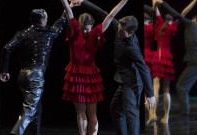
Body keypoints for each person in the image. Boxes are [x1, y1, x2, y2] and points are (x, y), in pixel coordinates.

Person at [69, 0, 156, 134]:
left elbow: (144, 68)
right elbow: (106, 14)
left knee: (130, 112)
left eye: (122, 32)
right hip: (123, 79)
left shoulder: (132, 47)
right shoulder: (119, 27)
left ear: (130, 32)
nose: (118, 32)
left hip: (132, 82)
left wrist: (150, 94)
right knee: (115, 108)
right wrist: (83, 2)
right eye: (119, 29)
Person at [60, 0, 128, 134]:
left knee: (92, 114)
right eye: (82, 28)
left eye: (87, 28)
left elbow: (111, 15)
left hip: (91, 75)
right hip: (75, 75)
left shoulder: (96, 32)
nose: (84, 31)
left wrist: (124, 1)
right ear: (78, 25)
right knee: (80, 112)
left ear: (92, 25)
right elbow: (67, 10)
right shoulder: (74, 29)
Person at [0, 8, 67, 135]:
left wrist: (4, 71)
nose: (47, 20)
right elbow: (61, 22)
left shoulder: (23, 33)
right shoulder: (49, 33)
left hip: (22, 76)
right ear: (42, 20)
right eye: (46, 18)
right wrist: (67, 9)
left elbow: (7, 48)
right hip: (36, 75)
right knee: (30, 109)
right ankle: (15, 133)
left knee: (37, 109)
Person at [153, 0, 197, 123]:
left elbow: (179, 14)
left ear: (194, 19)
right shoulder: (178, 26)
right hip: (179, 60)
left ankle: (183, 115)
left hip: (191, 61)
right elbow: (180, 15)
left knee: (177, 87)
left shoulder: (190, 24)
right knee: (169, 88)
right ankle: (174, 116)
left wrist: (161, 4)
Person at [146, 5, 178, 125]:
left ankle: (153, 114)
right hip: (167, 59)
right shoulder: (173, 26)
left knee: (155, 88)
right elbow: (180, 15)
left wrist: (157, 2)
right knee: (167, 90)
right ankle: (166, 116)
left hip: (157, 59)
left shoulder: (159, 23)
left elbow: (156, 10)